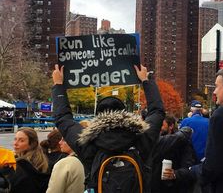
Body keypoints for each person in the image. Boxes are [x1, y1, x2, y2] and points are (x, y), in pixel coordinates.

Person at [52, 64, 165, 192]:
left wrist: (58, 85)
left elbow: (62, 119)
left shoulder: (87, 141)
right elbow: (157, 112)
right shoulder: (141, 137)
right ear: (124, 113)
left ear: (98, 116)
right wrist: (146, 80)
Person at [191, 68, 223, 193]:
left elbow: (213, 166)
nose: (214, 91)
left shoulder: (222, 115)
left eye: (217, 86)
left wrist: (192, 172)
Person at [151, 127, 197, 193]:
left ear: (171, 126)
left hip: (172, 187)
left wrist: (175, 174)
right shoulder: (153, 141)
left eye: (162, 123)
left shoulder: (182, 143)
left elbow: (189, 168)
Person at [8, 127, 50, 193]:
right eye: (15, 139)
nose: (15, 143)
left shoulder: (23, 165)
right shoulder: (43, 160)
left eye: (21, 140)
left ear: (31, 144)